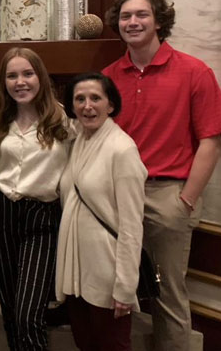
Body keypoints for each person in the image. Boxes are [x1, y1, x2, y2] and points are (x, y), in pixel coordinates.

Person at [102, 0, 221, 351]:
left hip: (168, 194)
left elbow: (211, 142)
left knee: (168, 295)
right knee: (114, 287)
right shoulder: (108, 77)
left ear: (158, 21)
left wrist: (185, 200)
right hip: (116, 196)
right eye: (125, 17)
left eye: (141, 15)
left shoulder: (194, 72)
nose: (133, 22)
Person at [0, 47, 72, 351]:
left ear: (41, 77)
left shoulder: (63, 119)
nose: (20, 82)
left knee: (29, 314)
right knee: (9, 310)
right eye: (12, 75)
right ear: (4, 82)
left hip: (41, 216)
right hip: (0, 213)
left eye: (27, 74)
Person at [56, 72, 148, 351]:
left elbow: (133, 225)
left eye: (96, 98)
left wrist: (125, 286)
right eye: (79, 99)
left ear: (111, 105)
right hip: (78, 272)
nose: (87, 106)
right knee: (86, 344)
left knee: (113, 346)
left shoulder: (122, 149)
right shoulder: (80, 140)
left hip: (108, 273)